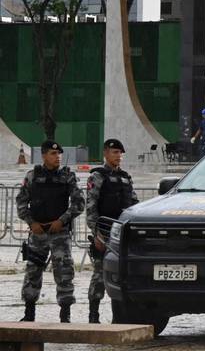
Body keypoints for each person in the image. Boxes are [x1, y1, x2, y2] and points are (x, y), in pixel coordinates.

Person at [16, 140, 84, 322]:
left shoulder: (67, 177)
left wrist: (61, 221)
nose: (57, 157)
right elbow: (21, 203)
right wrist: (31, 223)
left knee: (64, 272)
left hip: (59, 234)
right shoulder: (32, 176)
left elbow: (79, 203)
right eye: (53, 154)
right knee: (32, 272)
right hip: (38, 232)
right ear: (44, 155)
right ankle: (29, 313)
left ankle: (65, 314)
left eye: (59, 154)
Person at [84, 139, 139, 324]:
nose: (118, 156)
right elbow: (91, 208)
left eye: (120, 153)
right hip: (105, 234)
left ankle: (120, 316)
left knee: (122, 275)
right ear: (106, 153)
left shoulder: (125, 177)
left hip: (122, 234)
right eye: (115, 152)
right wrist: (97, 233)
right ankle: (93, 314)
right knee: (100, 274)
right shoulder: (97, 176)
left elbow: (134, 205)